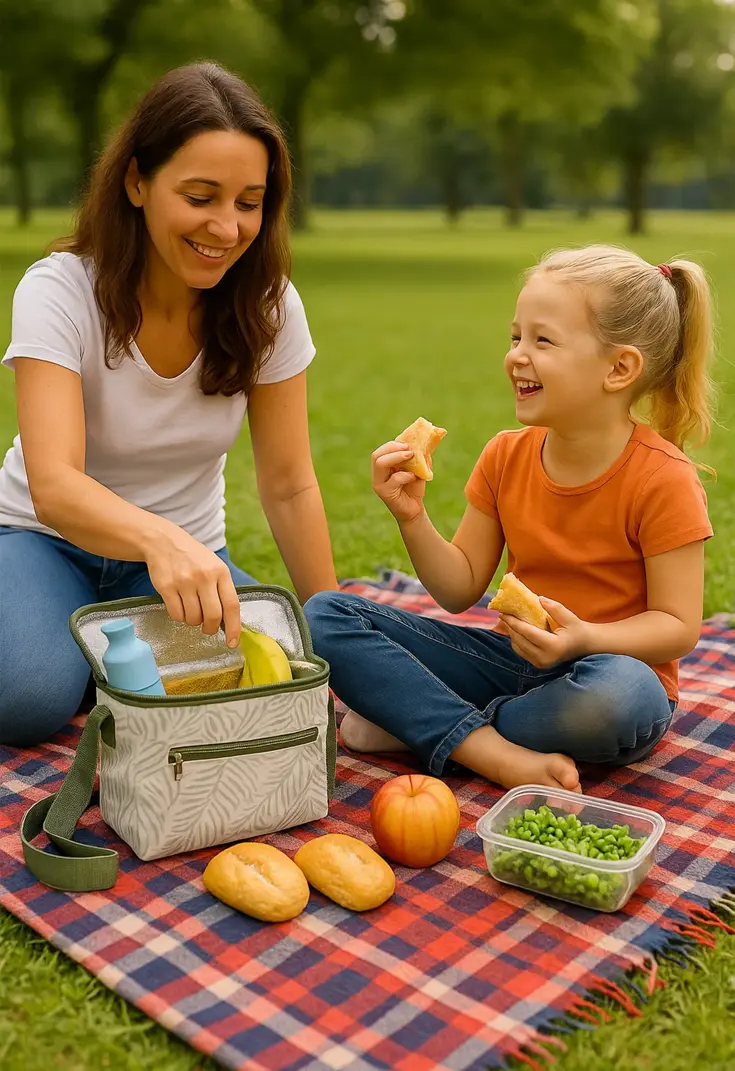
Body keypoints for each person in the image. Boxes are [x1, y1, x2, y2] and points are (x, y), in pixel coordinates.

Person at [0, 63, 337, 747]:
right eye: (201, 195)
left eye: (250, 201)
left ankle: (109, 653)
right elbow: (56, 484)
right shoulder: (60, 290)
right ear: (136, 182)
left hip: (182, 566)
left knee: (274, 677)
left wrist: (333, 627)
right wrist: (161, 541)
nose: (227, 226)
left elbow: (289, 482)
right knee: (27, 698)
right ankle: (79, 639)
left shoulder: (267, 306)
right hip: (43, 540)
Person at [306, 245, 714, 792]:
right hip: (509, 658)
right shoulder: (505, 455)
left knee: (623, 698)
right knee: (324, 614)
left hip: (603, 672)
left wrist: (581, 640)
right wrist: (411, 517)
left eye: (542, 341)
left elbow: (677, 626)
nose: (518, 355)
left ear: (618, 368)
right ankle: (489, 748)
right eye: (515, 336)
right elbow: (458, 589)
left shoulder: (663, 478)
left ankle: (433, 727)